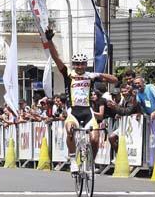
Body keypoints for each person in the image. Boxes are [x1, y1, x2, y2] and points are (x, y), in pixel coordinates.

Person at [45, 28, 118, 174]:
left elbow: (115, 80)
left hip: (88, 111)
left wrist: (98, 74)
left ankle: (91, 163)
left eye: (82, 64)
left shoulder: (90, 76)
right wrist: (49, 40)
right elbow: (56, 57)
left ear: (85, 64)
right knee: (70, 130)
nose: (79, 67)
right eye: (77, 64)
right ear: (73, 64)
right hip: (73, 111)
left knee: (95, 139)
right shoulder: (68, 74)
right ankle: (73, 160)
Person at [107, 83, 141, 154]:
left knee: (128, 143)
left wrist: (115, 107)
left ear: (128, 91)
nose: (124, 93)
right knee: (111, 138)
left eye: (125, 91)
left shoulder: (132, 99)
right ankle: (118, 155)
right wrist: (118, 113)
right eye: (122, 92)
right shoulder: (124, 99)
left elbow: (128, 111)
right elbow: (122, 110)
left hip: (134, 125)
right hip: (124, 125)